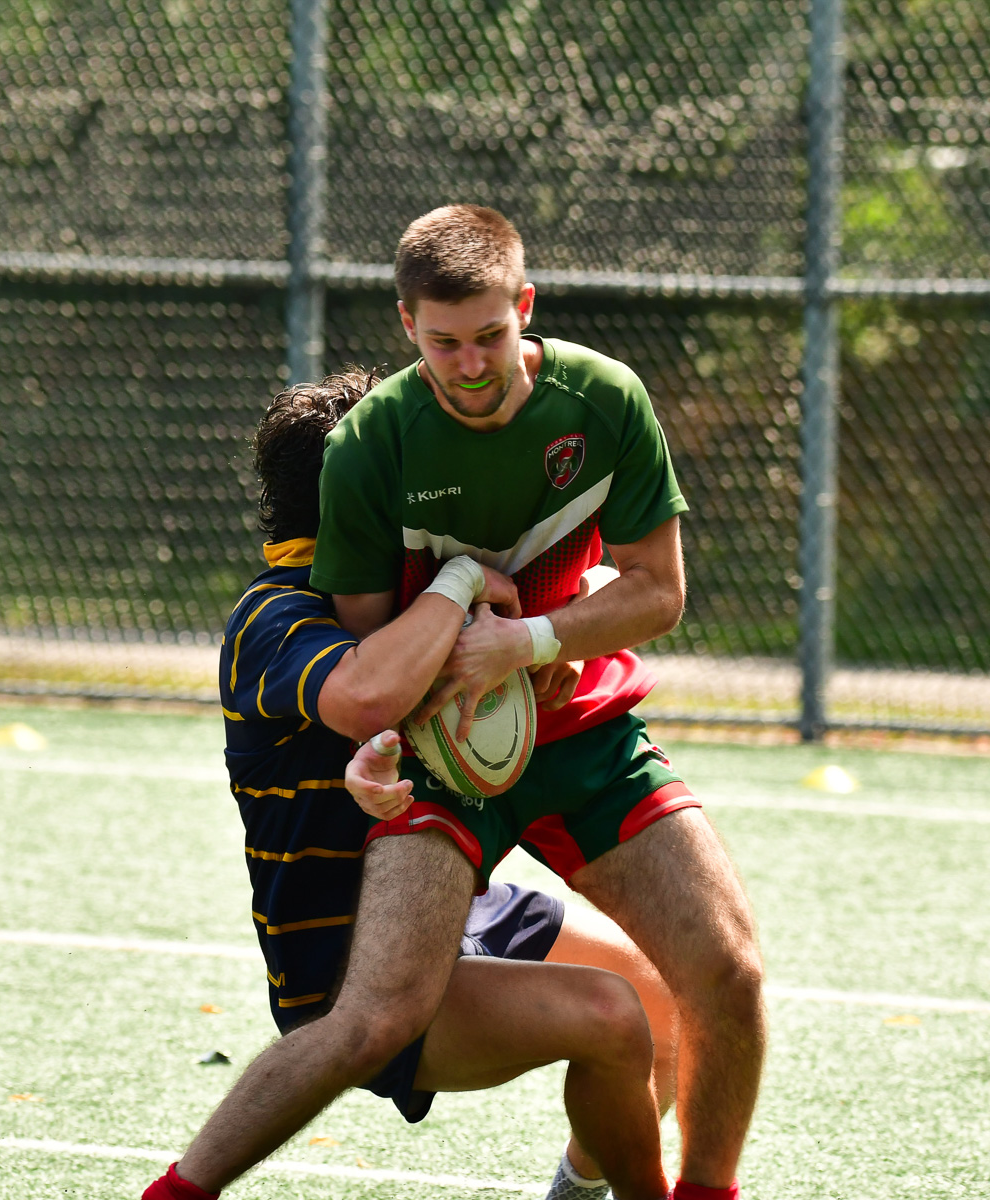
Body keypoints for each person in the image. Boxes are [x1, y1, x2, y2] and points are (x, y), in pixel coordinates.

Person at [139, 370, 679, 1200]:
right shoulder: (278, 615)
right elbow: (367, 693)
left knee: (664, 1000)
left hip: (459, 907)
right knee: (612, 1018)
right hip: (347, 960)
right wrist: (460, 586)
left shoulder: (399, 595)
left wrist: (542, 660)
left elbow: (509, 675)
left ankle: (574, 1192)